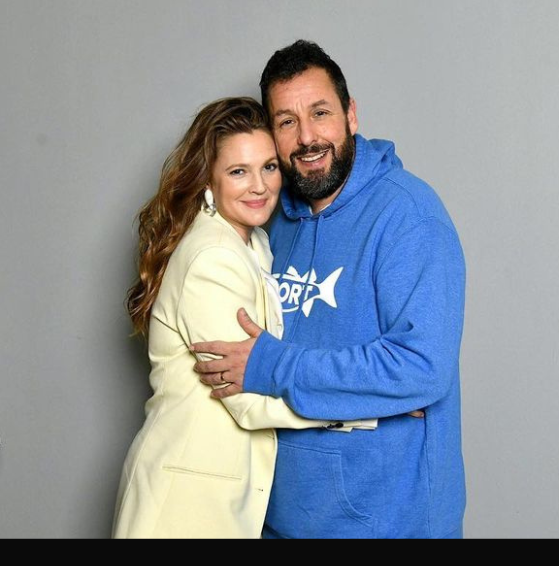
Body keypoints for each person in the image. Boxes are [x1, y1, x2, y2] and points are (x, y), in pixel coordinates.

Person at [191, 40, 467, 538]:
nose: (307, 137)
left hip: (390, 526)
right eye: (286, 121)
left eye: (320, 113)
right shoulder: (269, 223)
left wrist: (273, 366)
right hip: (277, 520)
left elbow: (423, 370)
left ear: (351, 115)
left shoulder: (408, 216)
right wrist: (368, 395)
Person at [112, 98, 377, 539]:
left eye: (269, 167)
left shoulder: (253, 243)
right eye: (239, 171)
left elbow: (265, 366)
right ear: (208, 180)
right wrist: (367, 407)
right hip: (183, 505)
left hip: (220, 501)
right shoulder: (212, 258)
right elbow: (247, 399)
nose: (259, 186)